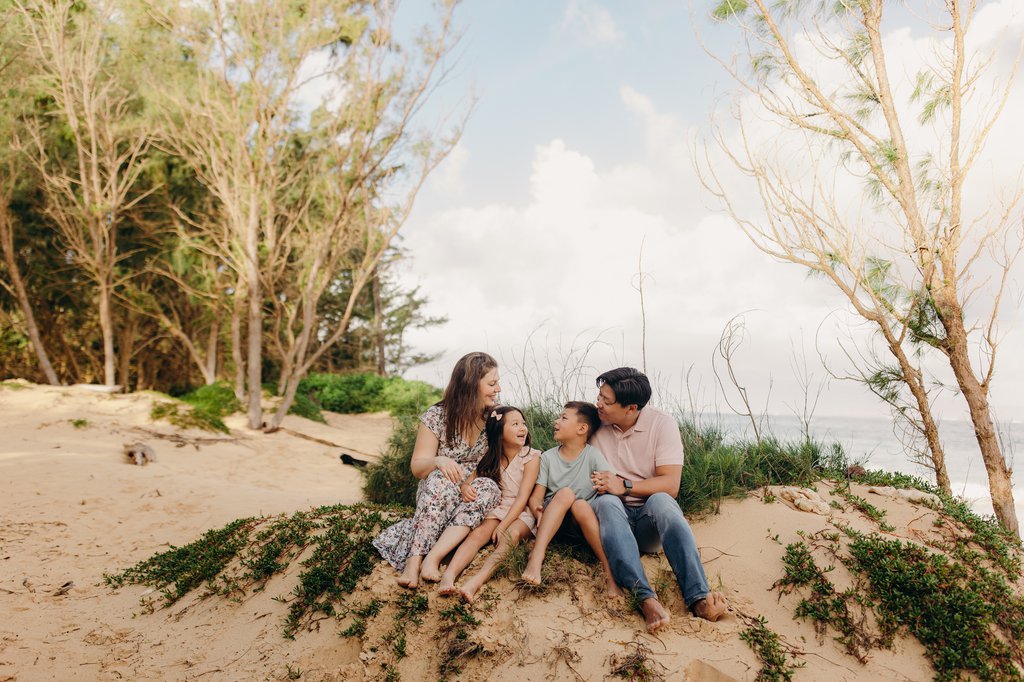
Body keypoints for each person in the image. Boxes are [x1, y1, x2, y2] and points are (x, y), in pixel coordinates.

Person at [589, 367, 728, 631]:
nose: (599, 404)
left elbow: (670, 483)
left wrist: (624, 485)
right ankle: (645, 599)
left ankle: (698, 597)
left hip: (646, 522)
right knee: (607, 502)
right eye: (599, 396)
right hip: (609, 519)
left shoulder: (662, 424)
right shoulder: (596, 422)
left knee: (663, 501)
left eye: (607, 402)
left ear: (631, 408)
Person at [372, 352, 503, 588]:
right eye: (492, 384)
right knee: (439, 478)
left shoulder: (494, 415)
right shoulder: (437, 416)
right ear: (471, 385)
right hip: (438, 492)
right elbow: (417, 467)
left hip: (471, 490)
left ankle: (433, 558)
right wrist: (438, 460)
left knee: (489, 487)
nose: (498, 389)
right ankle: (413, 564)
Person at [435, 405, 541, 602]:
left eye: (523, 423)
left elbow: (523, 497)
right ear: (499, 431)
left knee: (511, 535)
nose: (523, 428)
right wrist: (465, 488)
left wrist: (503, 526)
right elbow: (468, 480)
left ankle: (475, 581)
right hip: (500, 507)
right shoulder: (492, 457)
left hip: (523, 510)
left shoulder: (531, 457)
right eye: (515, 424)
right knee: (478, 534)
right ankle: (449, 575)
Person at [521, 401, 621, 597]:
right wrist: (537, 509)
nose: (556, 421)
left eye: (563, 418)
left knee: (582, 505)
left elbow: (612, 482)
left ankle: (609, 573)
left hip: (580, 527)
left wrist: (607, 487)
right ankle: (537, 556)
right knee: (566, 494)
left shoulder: (593, 456)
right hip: (552, 523)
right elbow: (537, 497)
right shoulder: (548, 458)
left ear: (582, 428)